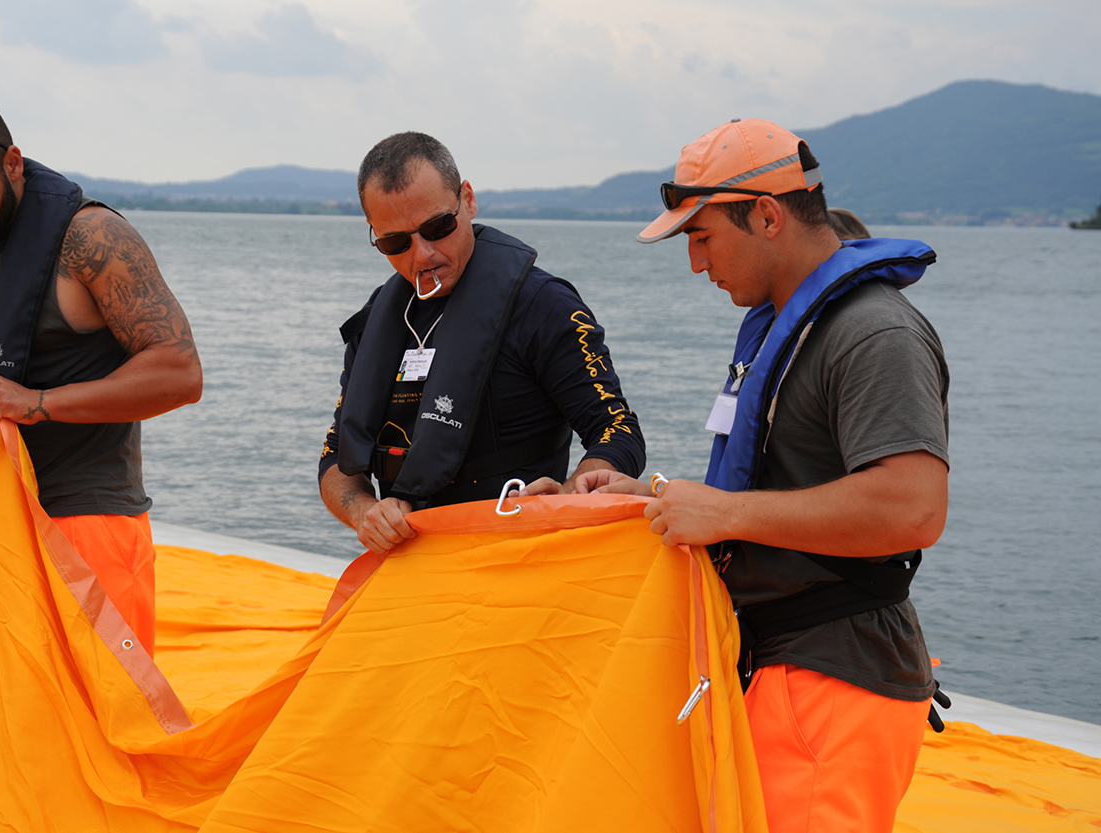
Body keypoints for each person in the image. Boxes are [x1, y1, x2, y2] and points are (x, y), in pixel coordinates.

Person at [579, 119, 949, 833]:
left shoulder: (874, 334)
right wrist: (650, 495)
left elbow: (913, 507)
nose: (696, 263)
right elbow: (778, 486)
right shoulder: (792, 326)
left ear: (768, 216)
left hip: (835, 677)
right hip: (779, 663)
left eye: (702, 236)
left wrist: (724, 514)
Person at [0, 93, 203, 654]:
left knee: (102, 707)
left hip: (86, 518)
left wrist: (38, 403)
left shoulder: (92, 238)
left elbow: (180, 373)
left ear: (13, 163)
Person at [320, 132, 645, 554]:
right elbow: (335, 458)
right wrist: (364, 512)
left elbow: (618, 431)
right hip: (414, 565)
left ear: (468, 201)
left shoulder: (545, 307)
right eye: (396, 243)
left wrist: (568, 495)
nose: (422, 255)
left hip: (519, 556)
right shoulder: (375, 322)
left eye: (437, 227)